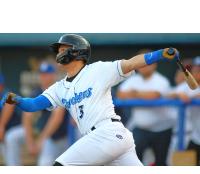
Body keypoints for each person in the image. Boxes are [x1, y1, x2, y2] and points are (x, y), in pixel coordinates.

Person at [0, 34, 179, 166]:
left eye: (64, 49)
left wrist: (158, 54)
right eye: (59, 50)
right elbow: (33, 105)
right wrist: (16, 99)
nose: (59, 52)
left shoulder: (97, 70)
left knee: (59, 167)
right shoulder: (59, 87)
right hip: (105, 140)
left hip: (107, 132)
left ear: (77, 52)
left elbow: (130, 63)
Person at [117, 49, 173, 166]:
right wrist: (141, 94)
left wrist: (134, 93)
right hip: (141, 128)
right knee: (134, 161)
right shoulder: (133, 79)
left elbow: (154, 95)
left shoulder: (161, 80)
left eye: (148, 63)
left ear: (155, 65)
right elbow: (120, 94)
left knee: (161, 163)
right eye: (142, 64)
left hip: (162, 129)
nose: (144, 66)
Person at [168, 56, 200, 165]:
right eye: (196, 70)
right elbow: (168, 94)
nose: (197, 73)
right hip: (194, 137)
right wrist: (178, 94)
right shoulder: (186, 87)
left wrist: (193, 97)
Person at [0, 74, 23, 165]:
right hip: (6, 132)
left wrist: (1, 126)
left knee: (10, 137)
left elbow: (10, 105)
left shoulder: (8, 93)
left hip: (20, 128)